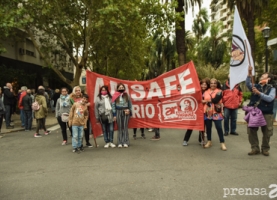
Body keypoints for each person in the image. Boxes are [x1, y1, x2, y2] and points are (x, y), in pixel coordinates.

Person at [246, 66, 275, 156]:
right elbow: (248, 84)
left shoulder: (272, 88)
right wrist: (249, 74)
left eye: (264, 76)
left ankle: (265, 149)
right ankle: (255, 148)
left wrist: (259, 93)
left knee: (267, 131)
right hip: (254, 111)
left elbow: (270, 98)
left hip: (266, 112)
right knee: (251, 130)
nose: (261, 76)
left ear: (268, 78)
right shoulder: (256, 86)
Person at [183, 78, 210, 146]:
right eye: (202, 84)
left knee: (202, 127)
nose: (203, 86)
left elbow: (210, 100)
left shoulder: (208, 92)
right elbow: (193, 99)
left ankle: (201, 140)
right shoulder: (196, 91)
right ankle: (185, 140)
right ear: (199, 85)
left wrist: (205, 101)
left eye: (205, 85)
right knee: (191, 126)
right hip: (196, 111)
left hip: (203, 111)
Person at [203, 78, 227, 151]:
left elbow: (216, 100)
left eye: (214, 83)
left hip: (217, 112)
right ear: (209, 84)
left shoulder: (220, 91)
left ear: (217, 84)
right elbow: (201, 100)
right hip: (208, 111)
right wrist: (203, 101)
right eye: (211, 83)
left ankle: (222, 143)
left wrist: (206, 101)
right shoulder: (205, 92)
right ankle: (209, 141)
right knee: (208, 127)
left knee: (219, 127)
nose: (213, 84)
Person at [112, 83, 132, 148]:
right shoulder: (115, 95)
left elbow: (130, 104)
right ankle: (120, 142)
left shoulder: (126, 95)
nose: (121, 88)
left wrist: (130, 112)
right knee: (120, 127)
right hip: (118, 111)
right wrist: (114, 115)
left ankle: (126, 142)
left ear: (124, 88)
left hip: (126, 111)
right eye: (120, 87)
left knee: (125, 127)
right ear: (117, 88)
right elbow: (113, 105)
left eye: (122, 87)